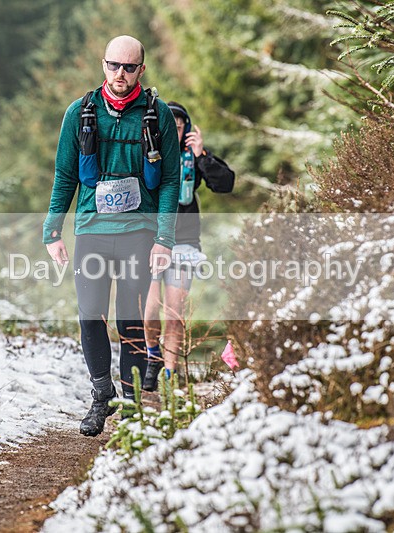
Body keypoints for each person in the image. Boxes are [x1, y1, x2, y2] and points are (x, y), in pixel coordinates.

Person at [43, 35, 180, 437]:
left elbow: (170, 180)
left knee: (131, 320)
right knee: (90, 315)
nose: (121, 74)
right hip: (92, 231)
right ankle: (102, 395)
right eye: (113, 66)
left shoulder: (157, 115)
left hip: (140, 232)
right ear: (103, 65)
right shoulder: (79, 112)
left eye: (129, 67)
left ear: (142, 68)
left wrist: (165, 238)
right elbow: (65, 175)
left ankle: (133, 404)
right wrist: (52, 230)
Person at [142, 101, 235, 391]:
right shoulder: (150, 152)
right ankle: (153, 356)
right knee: (148, 313)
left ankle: (170, 376)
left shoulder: (192, 159)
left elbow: (225, 183)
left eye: (181, 124)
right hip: (151, 240)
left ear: (185, 129)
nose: (176, 127)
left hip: (183, 243)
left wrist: (201, 155)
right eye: (171, 122)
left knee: (174, 312)